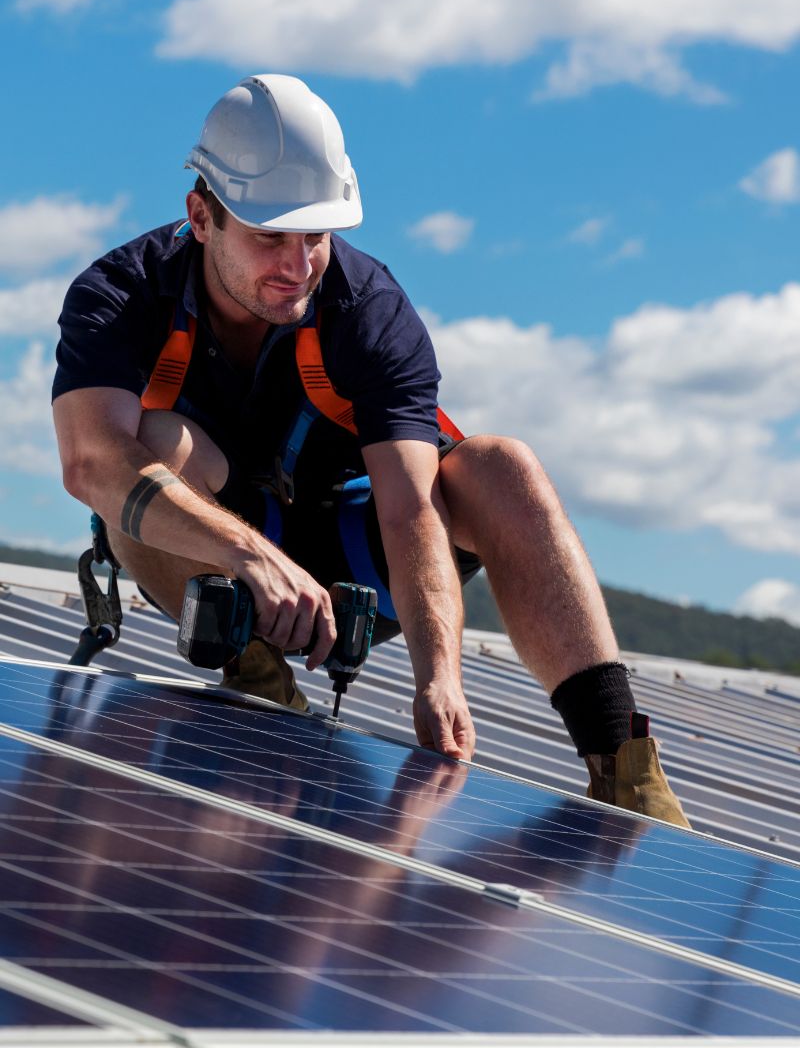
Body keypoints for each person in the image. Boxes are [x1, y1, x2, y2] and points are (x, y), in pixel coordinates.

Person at [52, 74, 689, 828]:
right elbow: (90, 461)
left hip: (360, 561)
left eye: (315, 235)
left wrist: (439, 677)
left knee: (499, 465)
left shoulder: (369, 311)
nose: (298, 265)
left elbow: (411, 507)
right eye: (269, 238)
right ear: (201, 216)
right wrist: (249, 558)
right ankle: (255, 679)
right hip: (221, 574)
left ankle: (623, 765)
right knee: (147, 446)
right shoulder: (123, 294)